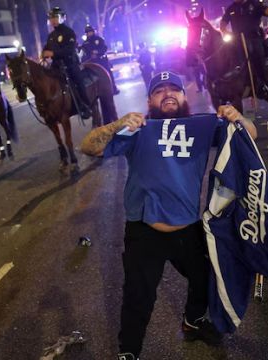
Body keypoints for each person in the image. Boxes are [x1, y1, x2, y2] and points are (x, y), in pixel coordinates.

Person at [80, 71, 257, 360]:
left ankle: (193, 321)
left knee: (207, 275)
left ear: (185, 96)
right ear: (150, 99)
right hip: (145, 230)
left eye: (174, 89)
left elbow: (250, 136)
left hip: (188, 227)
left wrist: (237, 116)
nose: (168, 94)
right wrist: (118, 124)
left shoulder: (202, 127)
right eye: (159, 91)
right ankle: (129, 352)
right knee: (139, 297)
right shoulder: (138, 131)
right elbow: (88, 146)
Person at [220, 0, 268, 99]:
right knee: (225, 53)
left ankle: (263, 83)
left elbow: (267, 10)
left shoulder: (254, 4)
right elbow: (223, 22)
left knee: (256, 53)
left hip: (254, 38)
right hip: (238, 40)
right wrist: (224, 30)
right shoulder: (232, 8)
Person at [42, 7, 92, 119]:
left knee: (78, 82)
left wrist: (52, 53)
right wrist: (43, 53)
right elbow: (46, 49)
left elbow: (69, 50)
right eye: (51, 18)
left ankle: (85, 106)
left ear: (63, 18)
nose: (53, 20)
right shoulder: (51, 36)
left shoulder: (69, 32)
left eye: (56, 17)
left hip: (69, 64)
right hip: (56, 66)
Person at [80, 24, 119, 95]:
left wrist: (97, 52)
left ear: (93, 32)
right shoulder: (85, 43)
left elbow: (104, 48)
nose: (89, 33)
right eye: (88, 32)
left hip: (101, 61)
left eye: (90, 32)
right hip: (91, 62)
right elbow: (83, 53)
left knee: (108, 72)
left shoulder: (99, 39)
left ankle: (113, 88)